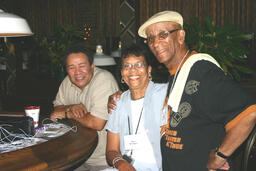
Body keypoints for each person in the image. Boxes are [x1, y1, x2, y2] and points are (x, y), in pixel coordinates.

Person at [108, 11, 256, 171]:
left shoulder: (201, 71)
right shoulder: (176, 76)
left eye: (163, 35)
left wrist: (219, 157)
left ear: (180, 36)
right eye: (150, 38)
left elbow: (248, 113)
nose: (155, 43)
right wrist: (120, 96)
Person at [50, 46, 119, 171]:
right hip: (75, 155)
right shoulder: (67, 81)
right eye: (71, 67)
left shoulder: (104, 79)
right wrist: (71, 107)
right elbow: (55, 112)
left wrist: (69, 113)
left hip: (103, 159)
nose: (77, 72)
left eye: (82, 66)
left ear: (92, 66)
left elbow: (97, 123)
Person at [105, 44, 167, 171]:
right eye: (127, 66)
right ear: (122, 73)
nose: (132, 70)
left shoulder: (164, 93)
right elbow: (111, 150)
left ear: (149, 70)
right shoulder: (117, 102)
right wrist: (120, 163)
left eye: (139, 65)